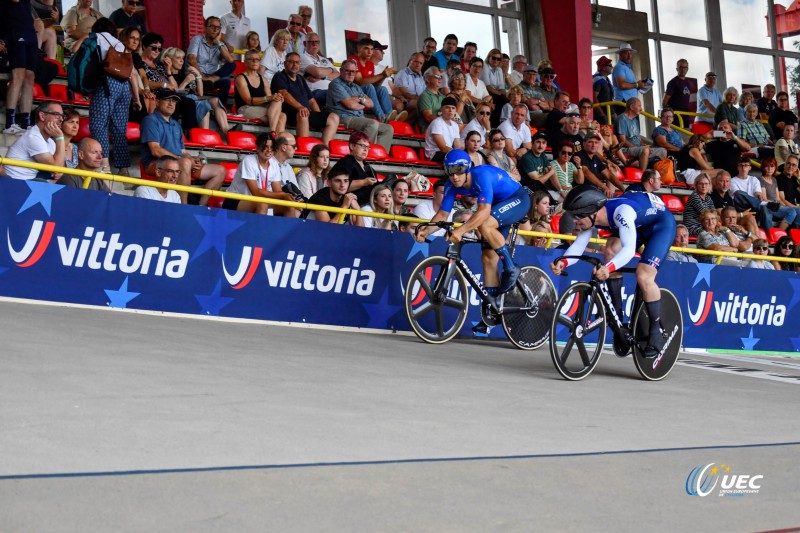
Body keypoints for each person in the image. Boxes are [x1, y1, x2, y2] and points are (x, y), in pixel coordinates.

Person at [555, 185, 678, 357]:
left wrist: (608, 268)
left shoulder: (622, 212)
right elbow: (579, 245)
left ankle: (656, 330)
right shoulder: (592, 217)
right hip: (637, 224)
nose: (575, 221)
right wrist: (564, 262)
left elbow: (628, 250)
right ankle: (617, 313)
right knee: (611, 250)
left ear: (592, 212)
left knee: (643, 275)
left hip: (660, 225)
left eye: (578, 216)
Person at [416, 150, 531, 323]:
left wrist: (460, 230)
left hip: (517, 199)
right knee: (487, 258)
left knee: (485, 224)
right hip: (498, 205)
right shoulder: (451, 184)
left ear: (468, 168)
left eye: (459, 170)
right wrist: (426, 230)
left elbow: (484, 212)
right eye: (450, 171)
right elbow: (442, 214)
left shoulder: (481, 175)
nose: (455, 177)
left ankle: (511, 267)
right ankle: (493, 309)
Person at [140, 89, 226, 205]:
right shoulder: (150, 121)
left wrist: (192, 159)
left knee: (220, 171)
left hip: (180, 163)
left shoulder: (176, 125)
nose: (171, 104)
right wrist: (181, 159)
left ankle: (201, 206)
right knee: (184, 163)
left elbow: (183, 151)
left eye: (174, 101)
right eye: (167, 100)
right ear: (157, 101)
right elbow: (155, 150)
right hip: (156, 164)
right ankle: (183, 206)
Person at [89, 18, 139, 175]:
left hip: (107, 83)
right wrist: (136, 98)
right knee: (119, 129)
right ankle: (124, 169)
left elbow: (78, 51)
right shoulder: (119, 44)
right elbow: (133, 74)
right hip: (124, 86)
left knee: (99, 125)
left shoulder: (96, 37)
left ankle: (104, 166)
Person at [162, 46, 231, 138]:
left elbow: (200, 93)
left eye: (182, 58)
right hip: (183, 101)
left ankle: (227, 132)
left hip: (193, 99)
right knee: (204, 105)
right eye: (178, 58)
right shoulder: (167, 75)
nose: (182, 61)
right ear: (169, 60)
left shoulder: (184, 75)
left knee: (215, 100)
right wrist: (186, 81)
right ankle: (204, 135)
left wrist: (198, 75)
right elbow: (175, 94)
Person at [327, 59, 394, 151]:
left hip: (358, 118)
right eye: (348, 71)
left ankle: (379, 154)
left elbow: (371, 104)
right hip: (344, 118)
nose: (351, 74)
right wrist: (362, 102)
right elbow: (350, 105)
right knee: (372, 123)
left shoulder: (356, 87)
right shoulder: (336, 84)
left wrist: (359, 99)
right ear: (341, 71)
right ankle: (365, 153)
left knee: (388, 128)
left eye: (353, 71)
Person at [273, 52, 338, 145]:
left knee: (333, 117)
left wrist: (319, 117)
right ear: (285, 63)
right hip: (290, 113)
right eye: (291, 62)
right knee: (303, 113)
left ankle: (325, 149)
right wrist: (300, 107)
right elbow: (284, 93)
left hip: (305, 112)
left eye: (297, 62)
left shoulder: (300, 78)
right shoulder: (279, 76)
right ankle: (303, 147)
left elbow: (311, 100)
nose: (294, 64)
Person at [224, 133, 295, 213]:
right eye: (265, 147)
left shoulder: (274, 164)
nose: (269, 150)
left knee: (289, 206)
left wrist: (290, 197)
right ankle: (260, 226)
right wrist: (283, 195)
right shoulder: (248, 160)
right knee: (262, 204)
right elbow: (255, 192)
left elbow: (277, 191)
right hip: (235, 199)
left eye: (272, 147)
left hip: (258, 199)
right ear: (257, 148)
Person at [3, 101, 65, 181]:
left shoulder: (51, 142)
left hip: (28, 182)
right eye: (57, 115)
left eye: (62, 116)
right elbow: (57, 168)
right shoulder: (33, 137)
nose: (61, 119)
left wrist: (57, 171)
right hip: (13, 183)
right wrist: (60, 137)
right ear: (42, 116)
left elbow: (59, 169)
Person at [3, 0, 37, 136]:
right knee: (19, 75)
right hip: (15, 30)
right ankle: (9, 123)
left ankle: (26, 122)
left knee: (30, 77)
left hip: (29, 30)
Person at [235, 48, 286, 131]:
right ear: (245, 61)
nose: (255, 61)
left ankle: (273, 135)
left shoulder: (263, 79)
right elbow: (248, 100)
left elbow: (270, 98)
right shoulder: (241, 78)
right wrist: (269, 98)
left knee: (279, 104)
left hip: (262, 108)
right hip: (246, 108)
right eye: (251, 59)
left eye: (257, 59)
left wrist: (277, 97)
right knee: (281, 117)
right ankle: (273, 134)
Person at [349, 37, 395, 123]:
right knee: (368, 86)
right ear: (359, 49)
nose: (370, 52)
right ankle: (381, 116)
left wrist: (383, 77)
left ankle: (389, 116)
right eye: (366, 49)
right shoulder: (353, 60)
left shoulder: (370, 64)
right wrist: (381, 74)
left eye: (371, 49)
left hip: (364, 91)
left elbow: (375, 86)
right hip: (353, 91)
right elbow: (360, 81)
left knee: (382, 89)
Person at [186, 16, 235, 96]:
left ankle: (221, 107)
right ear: (205, 28)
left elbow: (230, 61)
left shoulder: (220, 45)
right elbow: (191, 59)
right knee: (197, 80)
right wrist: (201, 76)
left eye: (218, 28)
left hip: (211, 79)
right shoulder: (197, 39)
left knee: (229, 73)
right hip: (196, 77)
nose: (215, 30)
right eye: (212, 26)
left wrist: (218, 43)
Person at [328, 131, 380, 206]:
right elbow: (340, 186)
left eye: (368, 147)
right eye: (362, 146)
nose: (366, 149)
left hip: (370, 204)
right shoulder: (345, 163)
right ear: (352, 146)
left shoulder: (367, 166)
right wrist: (364, 182)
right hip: (352, 205)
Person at [615, 97, 666, 171]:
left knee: (663, 151)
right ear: (631, 107)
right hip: (625, 149)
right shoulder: (622, 119)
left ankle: (655, 173)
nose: (641, 109)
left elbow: (638, 137)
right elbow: (623, 141)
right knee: (645, 150)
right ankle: (643, 176)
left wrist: (643, 145)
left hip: (637, 148)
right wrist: (639, 147)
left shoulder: (635, 120)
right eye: (639, 106)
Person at [709, 171, 760, 236]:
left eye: (727, 181)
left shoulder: (728, 196)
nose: (725, 184)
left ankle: (757, 242)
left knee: (750, 217)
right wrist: (742, 214)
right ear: (716, 182)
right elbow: (722, 214)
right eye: (722, 181)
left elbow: (733, 213)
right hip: (721, 222)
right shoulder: (712, 195)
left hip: (731, 221)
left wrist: (744, 215)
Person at [267, 132, 303, 217]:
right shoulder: (267, 163)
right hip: (267, 204)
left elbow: (295, 191)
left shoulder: (288, 168)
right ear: (283, 147)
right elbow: (267, 192)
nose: (296, 148)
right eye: (294, 146)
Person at [759, 156, 800, 229]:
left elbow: (779, 199)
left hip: (783, 205)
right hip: (774, 206)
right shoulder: (779, 179)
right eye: (788, 163)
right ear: (784, 165)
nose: (790, 166)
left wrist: (798, 178)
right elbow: (781, 199)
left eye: (793, 165)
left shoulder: (792, 179)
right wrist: (794, 207)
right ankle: (784, 234)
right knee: (794, 211)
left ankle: (795, 232)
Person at [580, 132, 625, 197]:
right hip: (583, 192)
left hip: (595, 191)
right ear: (584, 143)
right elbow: (586, 172)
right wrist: (604, 187)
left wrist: (624, 189)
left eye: (596, 143)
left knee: (619, 199)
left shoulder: (595, 158)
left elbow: (609, 175)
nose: (593, 145)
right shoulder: (579, 156)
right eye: (590, 142)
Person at [300, 33, 338, 104]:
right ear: (305, 43)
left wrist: (323, 77)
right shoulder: (302, 57)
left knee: (361, 90)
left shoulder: (324, 59)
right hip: (314, 93)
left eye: (317, 42)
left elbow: (338, 75)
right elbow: (318, 73)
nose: (315, 44)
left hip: (330, 90)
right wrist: (331, 69)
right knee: (337, 94)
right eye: (311, 42)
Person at [424, 96, 463, 162]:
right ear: (441, 109)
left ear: (455, 111)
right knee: (457, 161)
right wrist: (458, 154)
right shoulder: (437, 123)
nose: (450, 110)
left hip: (448, 152)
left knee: (469, 161)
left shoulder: (455, 125)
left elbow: (458, 146)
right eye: (447, 107)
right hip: (435, 154)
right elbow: (443, 148)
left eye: (453, 108)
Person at [417, 67, 446, 132]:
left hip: (442, 128)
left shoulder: (443, 97)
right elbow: (428, 117)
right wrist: (445, 121)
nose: (440, 79)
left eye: (440, 76)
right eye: (437, 76)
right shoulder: (425, 96)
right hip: (430, 130)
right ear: (428, 79)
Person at [592, 56, 614, 124]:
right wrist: (601, 114)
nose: (612, 67)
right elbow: (594, 97)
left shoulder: (606, 79)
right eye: (610, 65)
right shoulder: (598, 79)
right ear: (604, 67)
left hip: (609, 112)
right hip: (602, 115)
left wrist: (613, 113)